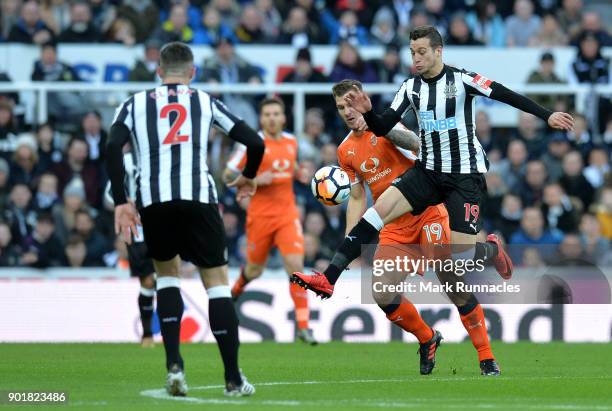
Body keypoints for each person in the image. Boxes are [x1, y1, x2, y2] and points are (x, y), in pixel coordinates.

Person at [292, 25, 573, 344]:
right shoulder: (410, 88)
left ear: (439, 52)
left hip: (464, 175)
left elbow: (504, 93)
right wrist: (370, 112)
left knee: (458, 251)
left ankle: (491, 249)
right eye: (412, 53)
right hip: (427, 172)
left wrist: (546, 115)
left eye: (422, 52)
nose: (417, 58)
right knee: (377, 212)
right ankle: (328, 278)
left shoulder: (462, 79)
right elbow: (383, 126)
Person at [106, 42, 263, 397]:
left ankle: (174, 366)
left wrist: (121, 201)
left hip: (154, 201)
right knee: (218, 285)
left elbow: (112, 145)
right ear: (192, 73)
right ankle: (233, 379)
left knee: (167, 278)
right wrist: (248, 176)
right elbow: (254, 140)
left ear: (158, 72)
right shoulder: (204, 100)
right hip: (199, 199)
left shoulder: (134, 103)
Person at [330, 79, 501, 375]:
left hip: (426, 215)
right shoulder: (345, 150)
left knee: (452, 284)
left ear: (363, 99)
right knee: (382, 293)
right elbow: (357, 196)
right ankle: (427, 337)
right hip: (394, 227)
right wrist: (350, 243)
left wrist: (388, 131)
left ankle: (486, 357)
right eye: (341, 107)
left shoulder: (388, 129)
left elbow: (422, 147)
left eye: (350, 102)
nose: (347, 110)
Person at [223, 97, 316, 345]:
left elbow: (291, 167)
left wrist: (300, 173)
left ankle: (304, 326)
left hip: (287, 214)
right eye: (267, 115)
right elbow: (227, 173)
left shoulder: (291, 142)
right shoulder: (251, 144)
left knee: (296, 266)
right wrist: (251, 177)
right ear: (261, 119)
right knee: (254, 270)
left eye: (276, 114)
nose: (272, 118)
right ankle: (234, 292)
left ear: (284, 117)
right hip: (260, 217)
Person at [104, 149, 156, 348]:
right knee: (148, 281)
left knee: (168, 276)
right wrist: (124, 203)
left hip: (164, 225)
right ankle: (147, 334)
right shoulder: (127, 161)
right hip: (139, 230)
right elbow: (109, 195)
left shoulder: (163, 156)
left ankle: (171, 335)